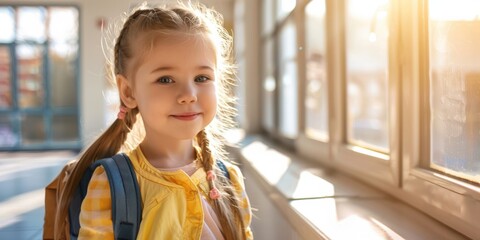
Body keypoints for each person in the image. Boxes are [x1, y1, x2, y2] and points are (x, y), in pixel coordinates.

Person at [53, 2, 253, 239]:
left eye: (202, 77)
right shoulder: (109, 185)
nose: (189, 94)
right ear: (128, 92)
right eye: (166, 79)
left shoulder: (229, 179)